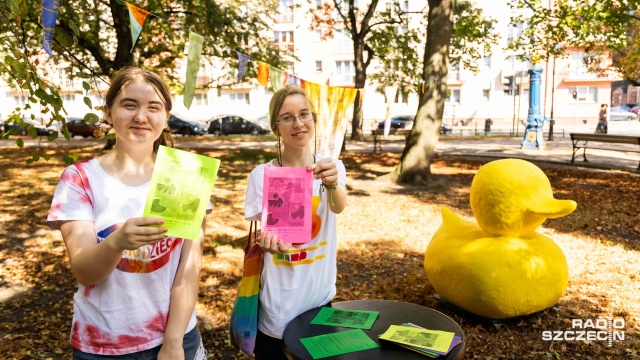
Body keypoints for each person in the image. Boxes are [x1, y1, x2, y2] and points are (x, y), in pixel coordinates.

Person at [47, 67, 207, 360]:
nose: (141, 117)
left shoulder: (184, 175)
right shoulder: (80, 178)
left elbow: (189, 270)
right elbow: (84, 272)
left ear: (166, 117)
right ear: (109, 112)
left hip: (179, 337)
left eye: (153, 107)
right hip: (104, 346)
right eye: (129, 105)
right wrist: (117, 242)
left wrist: (172, 343)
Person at [244, 85, 348, 359]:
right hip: (278, 308)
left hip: (320, 300)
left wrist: (333, 182)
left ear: (313, 119)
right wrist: (267, 244)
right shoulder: (262, 174)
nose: (298, 123)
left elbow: (338, 207)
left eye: (304, 114)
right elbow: (265, 233)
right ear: (276, 127)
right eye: (287, 117)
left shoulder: (332, 167)